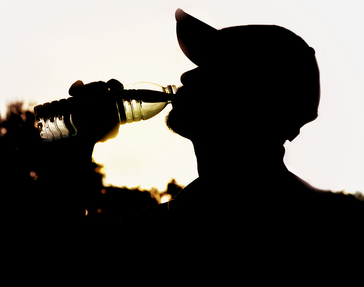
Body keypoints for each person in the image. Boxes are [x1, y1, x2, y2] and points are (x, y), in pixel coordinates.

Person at [67, 9, 362, 251]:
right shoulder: (182, 216)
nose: (186, 74)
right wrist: (75, 149)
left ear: (257, 100)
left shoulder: (313, 227)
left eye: (215, 67)